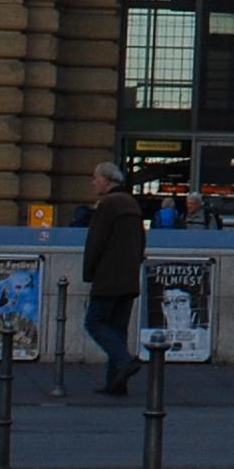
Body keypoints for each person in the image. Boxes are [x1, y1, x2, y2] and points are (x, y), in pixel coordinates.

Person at [80, 161, 150, 396]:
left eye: (96, 178)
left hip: (109, 277)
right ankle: (116, 382)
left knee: (95, 322)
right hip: (129, 277)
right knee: (118, 329)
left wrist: (90, 273)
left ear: (107, 181)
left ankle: (125, 361)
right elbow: (141, 240)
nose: (93, 183)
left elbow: (96, 242)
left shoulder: (108, 204)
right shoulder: (131, 203)